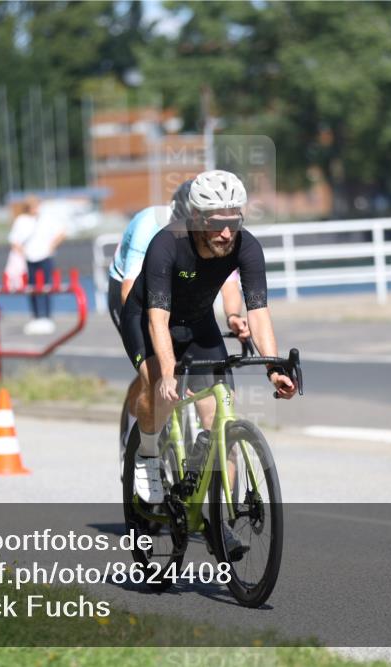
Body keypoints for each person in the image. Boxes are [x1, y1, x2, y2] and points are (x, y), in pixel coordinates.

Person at [118, 170, 297, 508]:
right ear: (197, 217)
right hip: (146, 319)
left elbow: (258, 311)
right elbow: (158, 317)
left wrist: (273, 367)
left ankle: (219, 520)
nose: (227, 233)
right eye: (217, 223)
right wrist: (169, 372)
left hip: (198, 324)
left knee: (219, 419)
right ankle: (147, 452)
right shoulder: (167, 243)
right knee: (161, 390)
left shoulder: (246, 246)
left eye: (234, 221)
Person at [108, 180, 248, 466]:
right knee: (153, 373)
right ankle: (136, 438)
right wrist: (153, 345)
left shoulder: (215, 233)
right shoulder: (151, 226)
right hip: (134, 292)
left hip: (183, 296)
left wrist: (234, 316)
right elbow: (130, 290)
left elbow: (230, 286)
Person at [8, 195, 66, 335]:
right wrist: (22, 253)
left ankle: (46, 316)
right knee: (32, 287)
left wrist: (52, 246)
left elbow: (62, 232)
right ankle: (36, 316)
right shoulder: (21, 220)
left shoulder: (46, 219)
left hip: (45, 256)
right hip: (29, 258)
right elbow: (14, 240)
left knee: (46, 286)